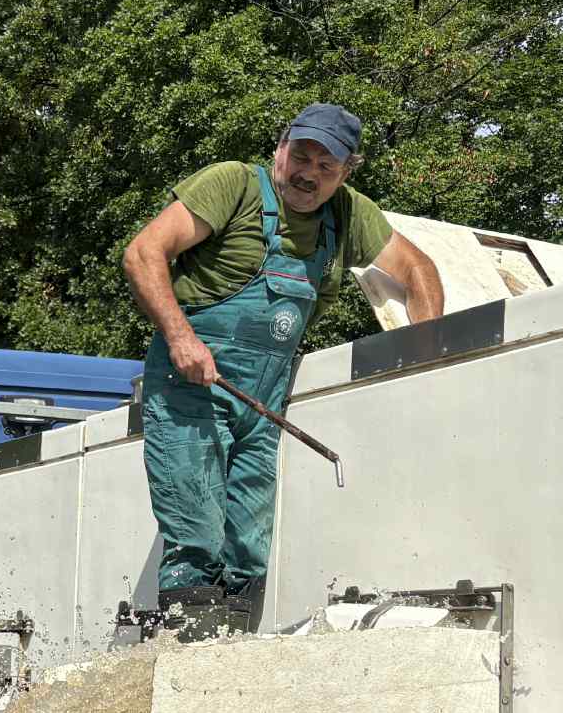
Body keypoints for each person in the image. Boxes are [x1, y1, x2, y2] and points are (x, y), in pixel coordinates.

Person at [121, 102, 444, 639]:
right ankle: (180, 660)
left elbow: (418, 268)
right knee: (197, 535)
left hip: (264, 405)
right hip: (191, 390)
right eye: (302, 156)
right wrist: (180, 338)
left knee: (248, 549)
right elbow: (142, 253)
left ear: (345, 172)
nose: (308, 174)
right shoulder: (234, 186)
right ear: (281, 148)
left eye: (326, 165)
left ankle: (231, 660)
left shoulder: (348, 214)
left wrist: (427, 354)